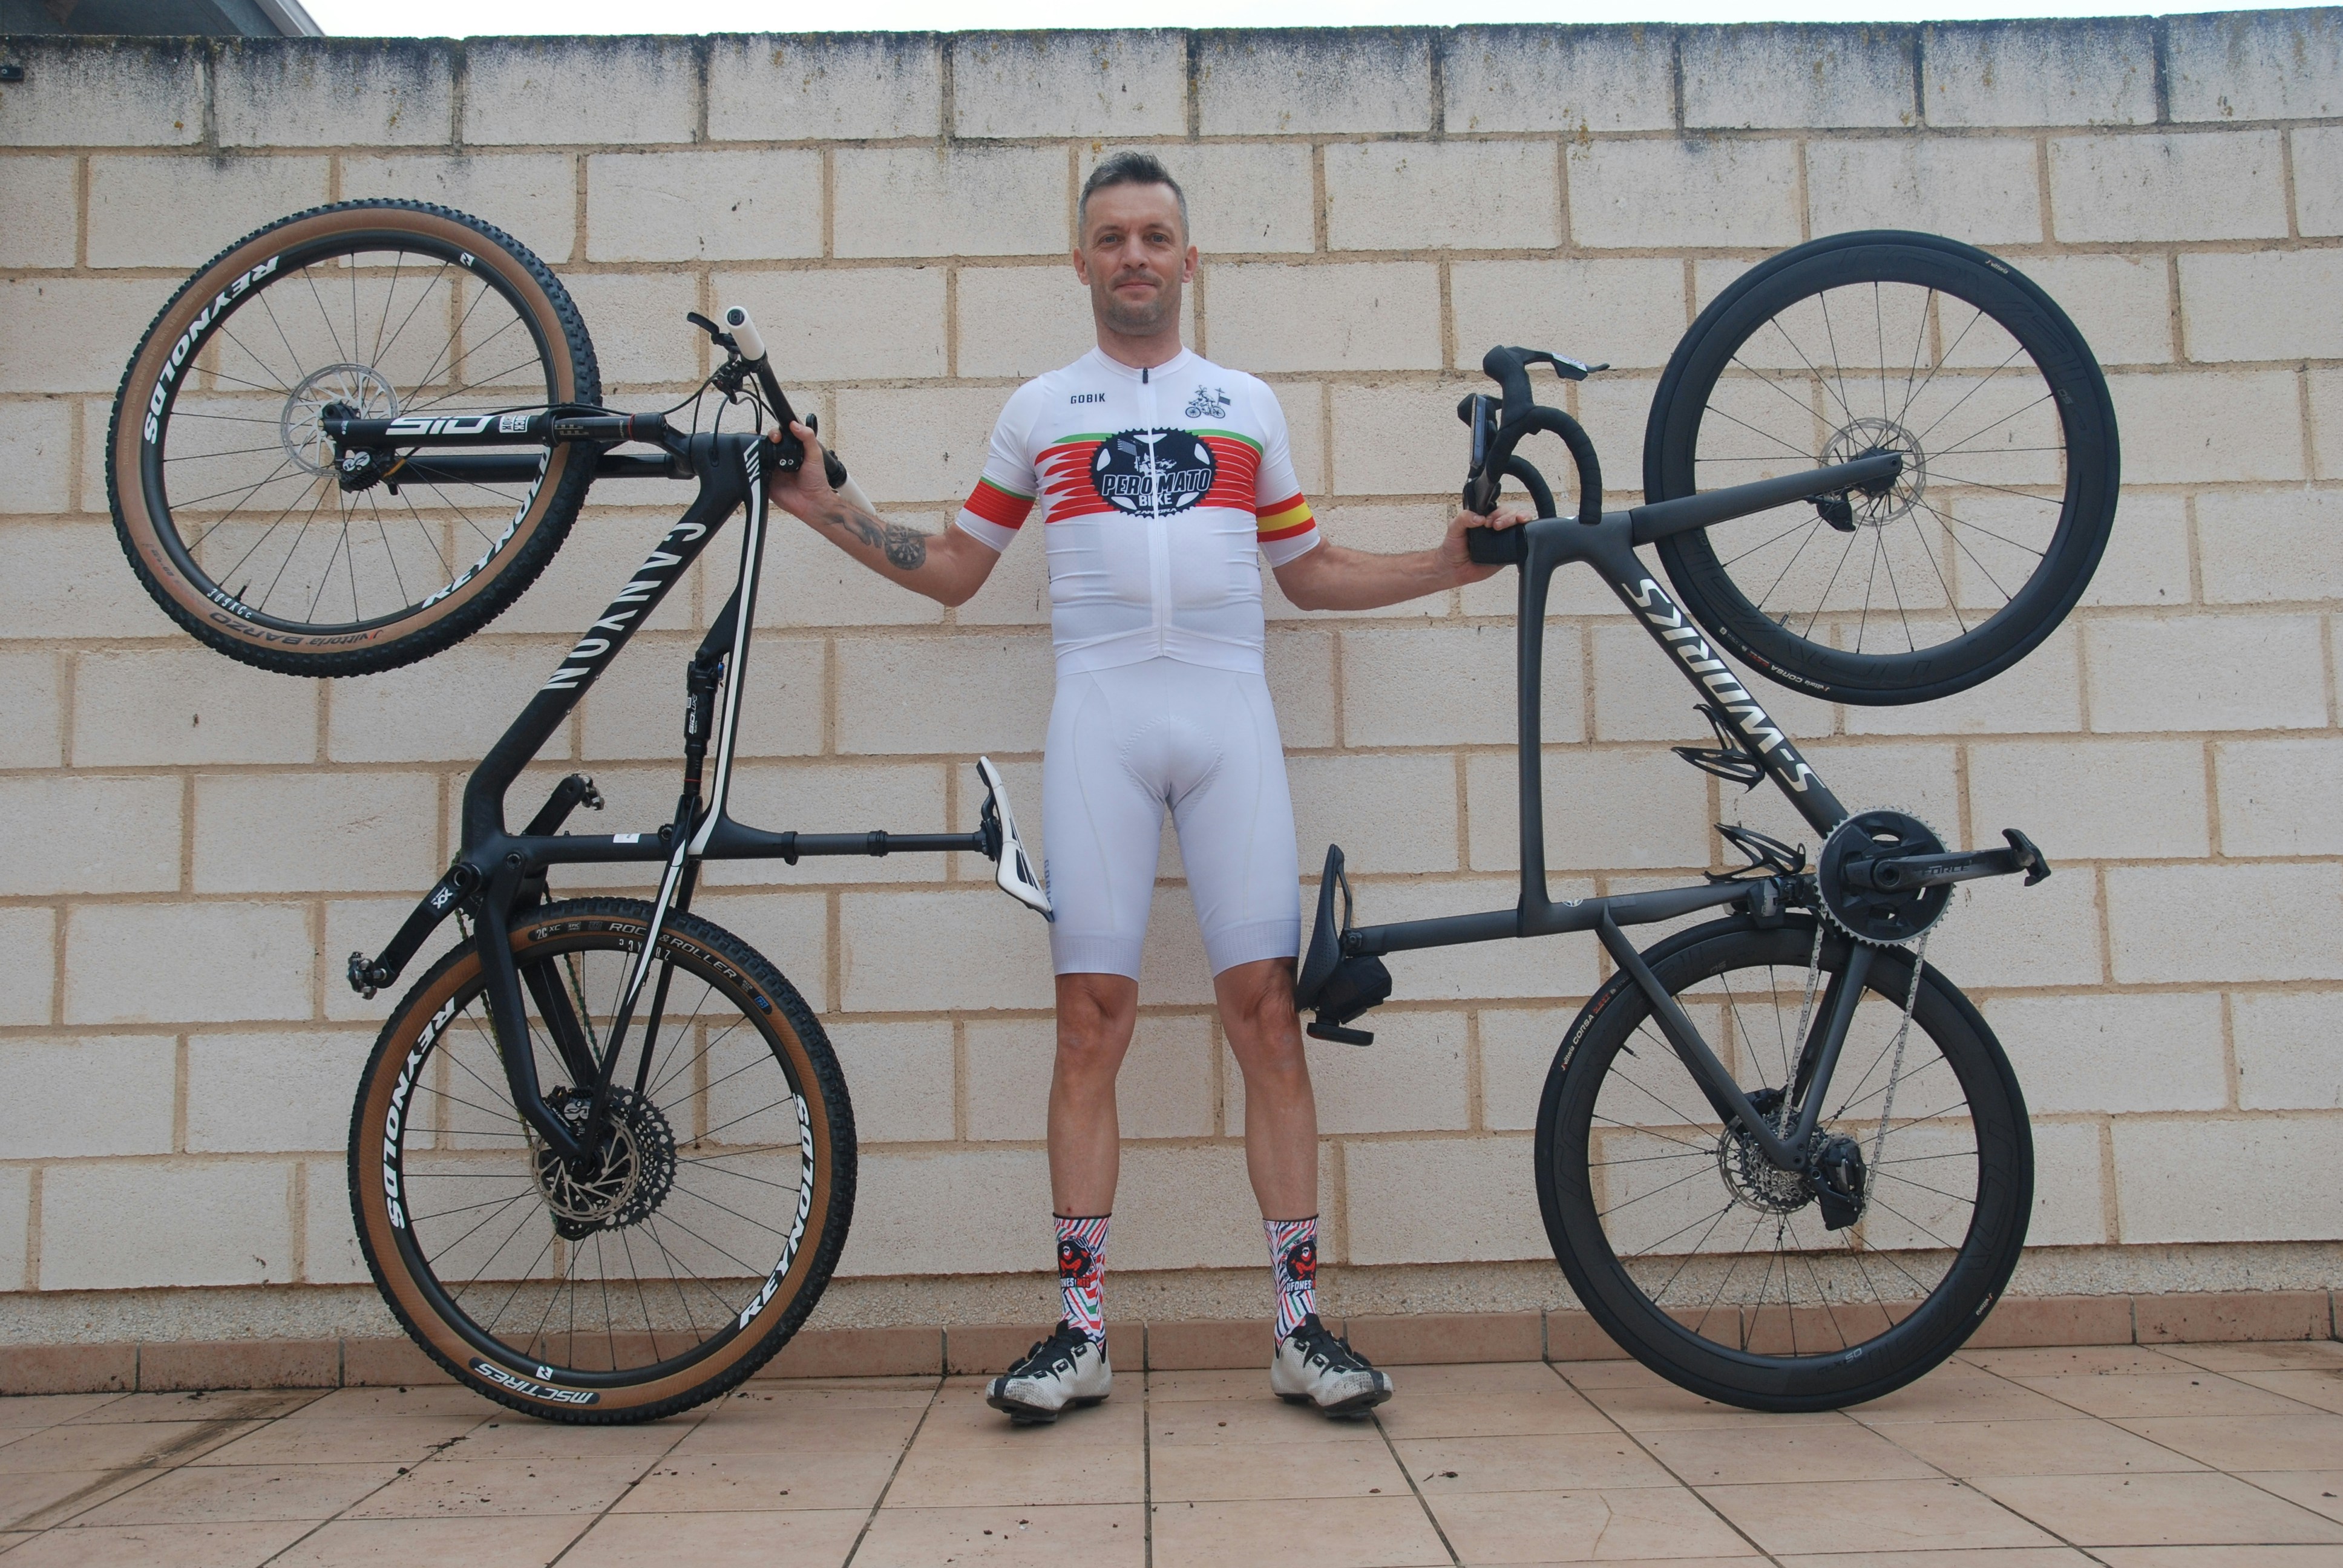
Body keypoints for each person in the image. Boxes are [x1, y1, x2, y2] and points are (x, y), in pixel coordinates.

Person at [768, 151, 1526, 1423]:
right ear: (1081, 261)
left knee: (1267, 1020)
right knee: (1090, 1026)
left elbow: (1309, 571)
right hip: (1101, 718)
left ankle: (1298, 1333)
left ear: (1188, 258)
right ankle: (1080, 1336)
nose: (1133, 257)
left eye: (1155, 237)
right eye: (1111, 237)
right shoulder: (1041, 408)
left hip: (1229, 715)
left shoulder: (1245, 405)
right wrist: (825, 508)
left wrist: (1445, 567)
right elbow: (957, 568)